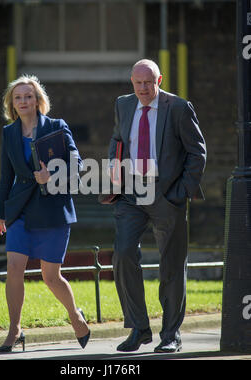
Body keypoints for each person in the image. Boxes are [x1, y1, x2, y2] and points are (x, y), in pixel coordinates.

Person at [107, 59, 206, 353]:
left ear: (159, 80)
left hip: (167, 194)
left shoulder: (178, 107)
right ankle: (138, 328)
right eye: (138, 83)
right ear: (131, 82)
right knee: (123, 253)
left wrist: (180, 191)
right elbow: (117, 139)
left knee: (172, 265)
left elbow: (197, 152)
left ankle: (171, 334)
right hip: (131, 193)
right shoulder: (123, 104)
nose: (143, 89)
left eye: (148, 83)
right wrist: (115, 170)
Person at [0, 75, 90, 352]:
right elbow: (5, 175)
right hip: (20, 209)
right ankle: (14, 330)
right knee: (14, 268)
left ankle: (74, 315)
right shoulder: (9, 132)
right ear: (12, 103)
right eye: (18, 97)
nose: (23, 101)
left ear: (38, 101)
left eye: (28, 96)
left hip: (52, 209)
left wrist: (53, 174)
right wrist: (0, 213)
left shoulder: (57, 126)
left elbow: (77, 161)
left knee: (50, 276)